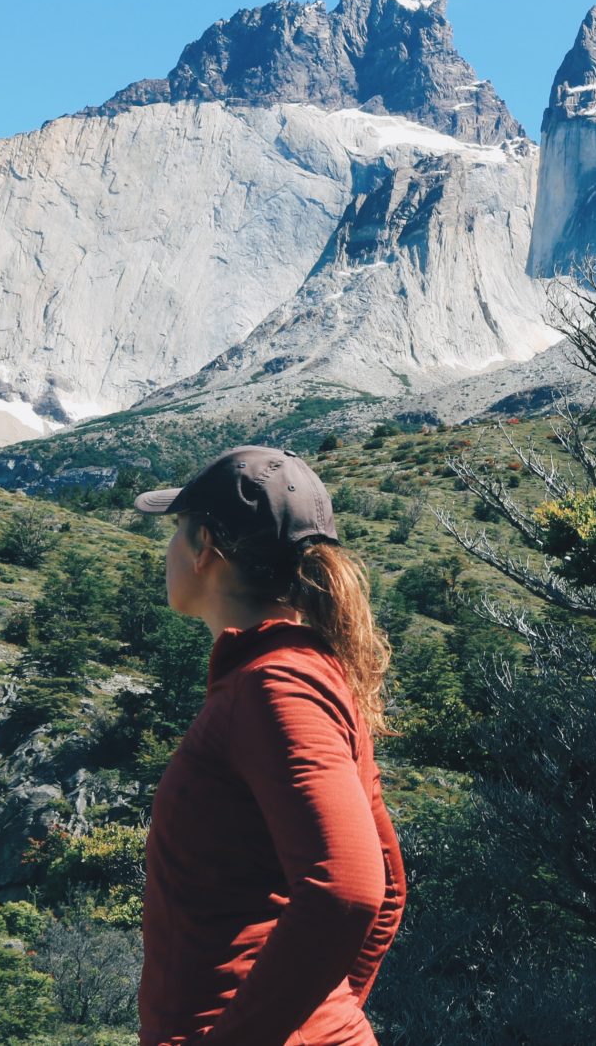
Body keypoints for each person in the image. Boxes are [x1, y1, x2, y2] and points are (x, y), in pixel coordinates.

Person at [132, 444, 405, 1046]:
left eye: (177, 531)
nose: (170, 550)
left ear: (204, 546)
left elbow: (350, 889)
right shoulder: (309, 673)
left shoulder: (274, 687)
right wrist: (325, 1015)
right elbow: (386, 884)